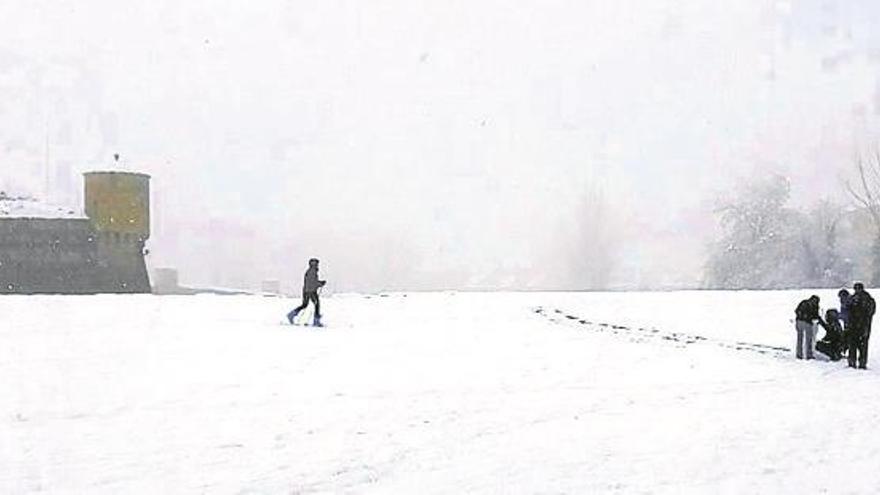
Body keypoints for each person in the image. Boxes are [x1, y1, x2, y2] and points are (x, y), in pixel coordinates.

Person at [287, 258, 327, 327]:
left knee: (305, 304)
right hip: (311, 291)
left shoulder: (310, 271)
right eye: (316, 263)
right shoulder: (312, 271)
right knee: (317, 304)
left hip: (306, 290)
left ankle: (291, 314)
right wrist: (320, 284)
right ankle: (316, 321)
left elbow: (311, 282)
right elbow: (312, 283)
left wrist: (319, 283)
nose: (317, 265)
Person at [847, 282, 876, 369]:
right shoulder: (855, 298)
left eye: (858, 289)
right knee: (857, 345)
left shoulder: (867, 299)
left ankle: (859, 363)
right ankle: (856, 362)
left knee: (860, 345)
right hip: (857, 326)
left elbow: (870, 313)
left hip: (862, 326)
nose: (857, 291)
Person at [794, 295, 823, 360]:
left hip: (799, 321)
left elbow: (796, 311)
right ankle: (808, 355)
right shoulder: (815, 305)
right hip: (807, 323)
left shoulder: (804, 302)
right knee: (808, 339)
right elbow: (816, 315)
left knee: (800, 339)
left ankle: (799, 355)